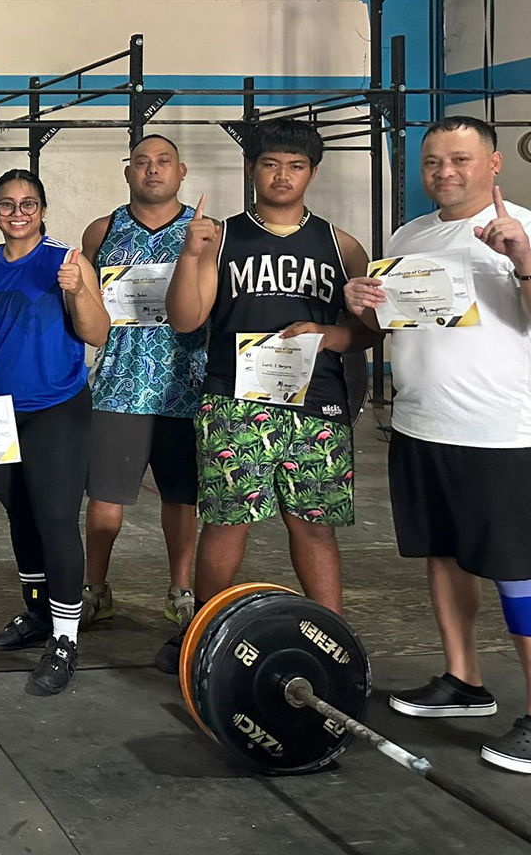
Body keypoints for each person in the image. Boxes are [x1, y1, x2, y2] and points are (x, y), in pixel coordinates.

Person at [343, 117, 531, 773]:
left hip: (501, 434)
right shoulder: (410, 236)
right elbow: (393, 319)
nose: (444, 172)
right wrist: (360, 301)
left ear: (493, 164)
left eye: (459, 159)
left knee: (522, 568)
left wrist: (524, 261)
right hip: (422, 426)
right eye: (433, 161)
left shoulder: (530, 229)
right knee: (443, 556)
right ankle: (464, 682)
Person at [156, 119, 370, 673]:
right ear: (252, 169)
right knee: (228, 521)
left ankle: (335, 640)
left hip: (316, 403)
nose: (283, 175)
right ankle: (203, 630)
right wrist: (189, 256)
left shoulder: (340, 245)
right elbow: (185, 320)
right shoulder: (221, 236)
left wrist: (328, 336)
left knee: (313, 523)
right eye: (271, 164)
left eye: (296, 166)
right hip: (235, 400)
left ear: (313, 173)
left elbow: (369, 333)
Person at [0, 170, 109, 695]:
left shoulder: (66, 261)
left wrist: (79, 291)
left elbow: (97, 332)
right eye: (7, 204)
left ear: (42, 209)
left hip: (56, 407)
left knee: (55, 518)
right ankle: (38, 614)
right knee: (18, 512)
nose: (17, 212)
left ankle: (66, 639)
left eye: (28, 203)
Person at [77, 135, 206, 630]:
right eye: (142, 162)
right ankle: (95, 587)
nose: (153, 170)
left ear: (182, 171)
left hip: (184, 387)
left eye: (163, 162)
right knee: (105, 502)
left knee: (181, 499)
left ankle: (180, 589)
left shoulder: (203, 231)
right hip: (117, 385)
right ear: (127, 171)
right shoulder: (102, 230)